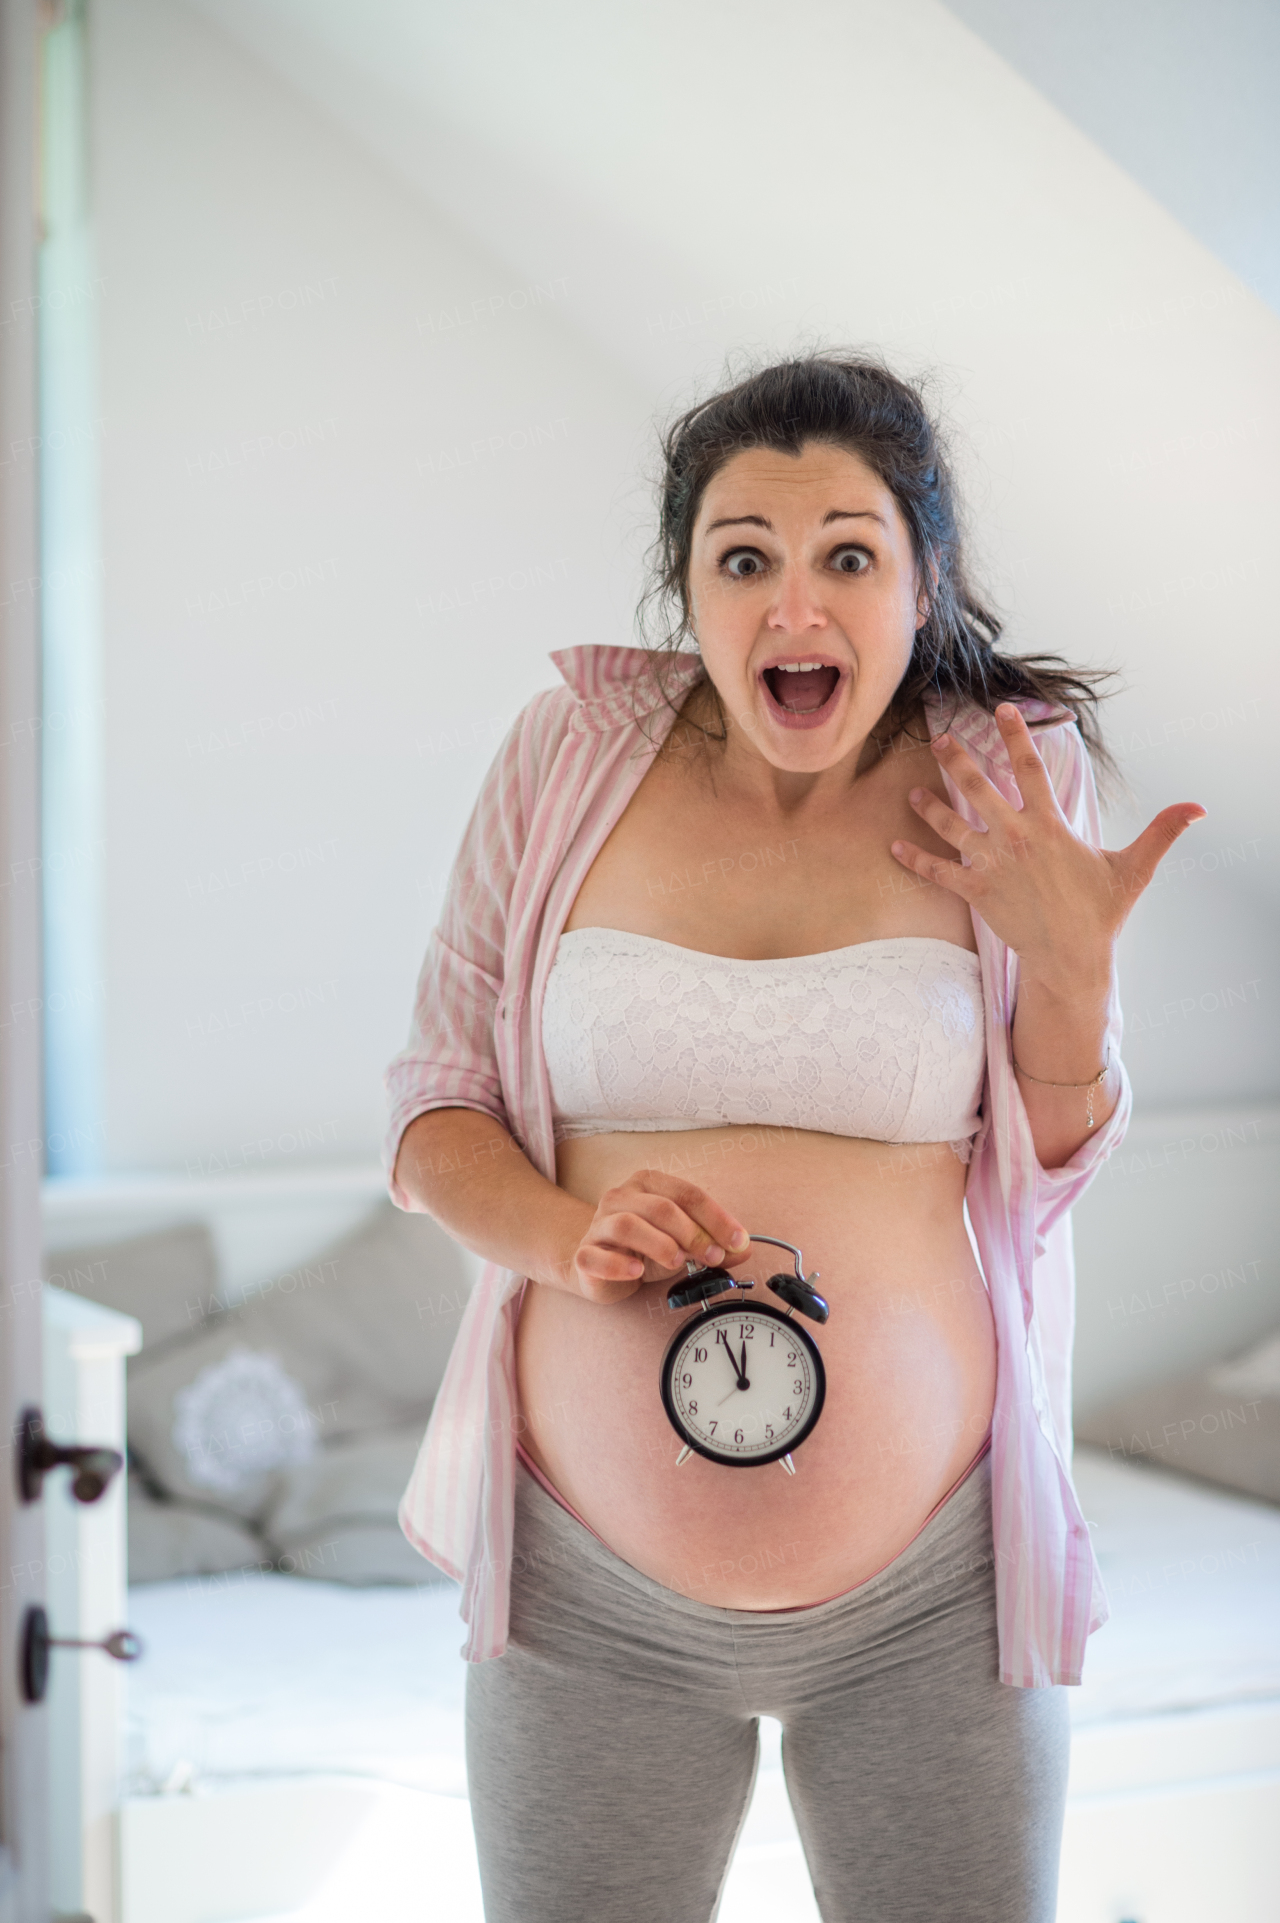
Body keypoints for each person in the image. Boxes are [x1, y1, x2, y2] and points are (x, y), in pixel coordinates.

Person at [384, 355, 1204, 1922]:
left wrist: (1079, 978)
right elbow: (433, 1110)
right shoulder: (565, 760)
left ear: (924, 579)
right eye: (742, 558)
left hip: (934, 1596)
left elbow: (1048, 1161)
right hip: (585, 1594)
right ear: (685, 584)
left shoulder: (1006, 774)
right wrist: (569, 1237)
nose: (794, 605)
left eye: (849, 554)